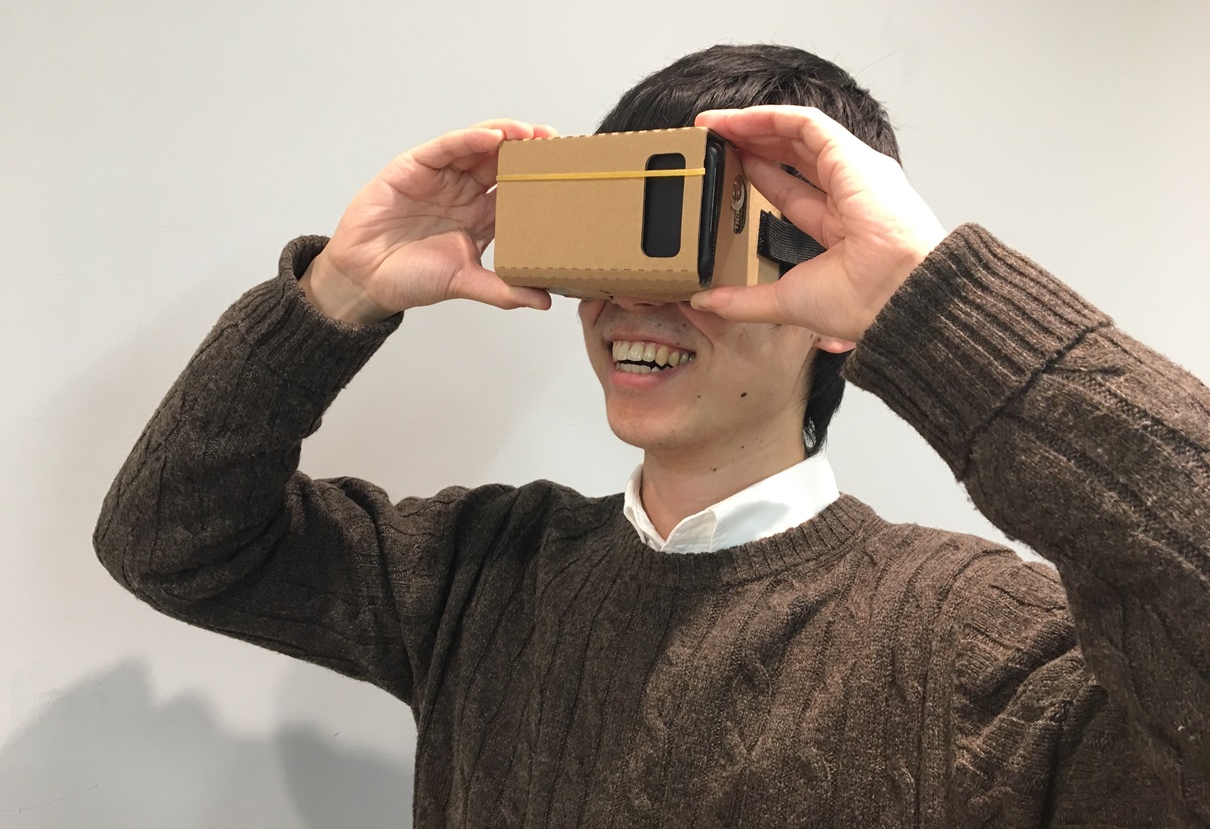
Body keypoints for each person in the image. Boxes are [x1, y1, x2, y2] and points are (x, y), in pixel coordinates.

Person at [95, 45, 1209, 827]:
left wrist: (938, 307)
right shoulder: (481, 571)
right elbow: (172, 540)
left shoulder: (976, 643)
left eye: (695, 240)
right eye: (623, 236)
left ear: (829, 288)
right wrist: (339, 291)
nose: (636, 298)